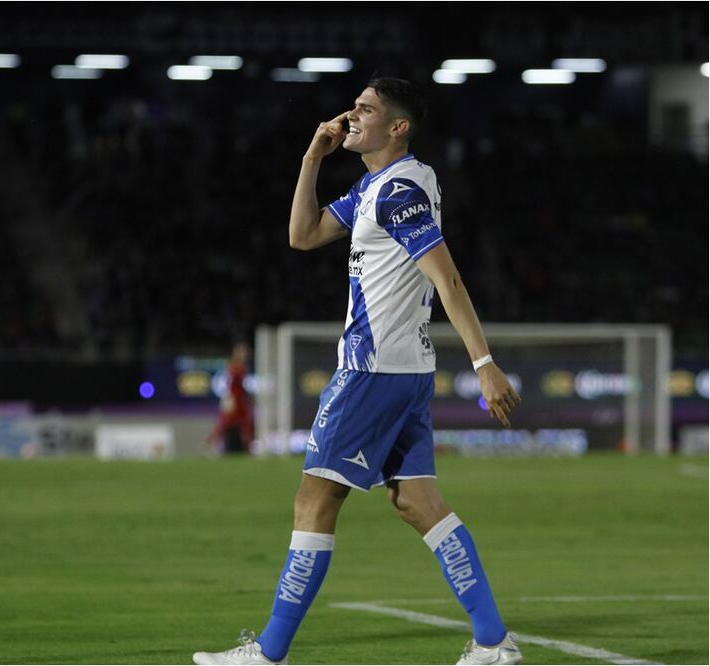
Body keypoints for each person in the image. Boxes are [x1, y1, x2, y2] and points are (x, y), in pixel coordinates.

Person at [192, 78, 524, 665]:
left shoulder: (399, 193)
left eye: (366, 110)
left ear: (398, 127)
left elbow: (447, 278)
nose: (351, 116)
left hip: (372, 370)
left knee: (312, 502)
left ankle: (268, 653)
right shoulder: (377, 186)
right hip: (406, 372)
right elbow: (303, 235)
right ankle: (494, 642)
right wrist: (311, 157)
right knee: (418, 504)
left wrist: (485, 364)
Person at [206, 342, 254, 454]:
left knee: (244, 424)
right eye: (241, 351)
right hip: (235, 400)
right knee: (225, 423)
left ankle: (248, 448)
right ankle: (210, 444)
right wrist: (229, 400)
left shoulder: (241, 366)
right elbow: (231, 385)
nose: (244, 354)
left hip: (241, 400)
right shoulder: (234, 366)